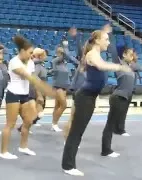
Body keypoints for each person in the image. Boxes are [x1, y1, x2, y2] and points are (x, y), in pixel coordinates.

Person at [61, 30, 131, 176]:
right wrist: (119, 67)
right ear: (98, 40)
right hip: (85, 97)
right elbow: (100, 66)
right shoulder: (92, 54)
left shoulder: (96, 54)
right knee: (76, 132)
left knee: (78, 131)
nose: (108, 42)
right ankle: (68, 166)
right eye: (106, 39)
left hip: (90, 97)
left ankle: (68, 164)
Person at [0, 35, 58, 160]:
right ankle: (3, 152)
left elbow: (32, 80)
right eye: (30, 52)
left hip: (25, 95)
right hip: (13, 94)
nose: (32, 55)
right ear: (22, 51)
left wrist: (39, 94)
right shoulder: (14, 62)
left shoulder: (30, 62)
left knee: (28, 121)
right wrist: (47, 89)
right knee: (10, 124)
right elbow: (28, 77)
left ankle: (23, 146)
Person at [17, 48, 48, 132]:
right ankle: (25, 126)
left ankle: (24, 126)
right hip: (34, 91)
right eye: (45, 55)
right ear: (40, 56)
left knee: (38, 113)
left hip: (40, 90)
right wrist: (39, 94)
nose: (46, 56)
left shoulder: (40, 64)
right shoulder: (35, 65)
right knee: (38, 113)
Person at [51, 44, 78, 132]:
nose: (61, 54)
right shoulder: (55, 61)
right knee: (64, 105)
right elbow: (64, 56)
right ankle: (55, 123)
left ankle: (53, 124)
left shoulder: (64, 64)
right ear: (57, 53)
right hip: (58, 86)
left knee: (57, 105)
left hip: (64, 86)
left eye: (61, 52)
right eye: (60, 52)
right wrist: (66, 47)